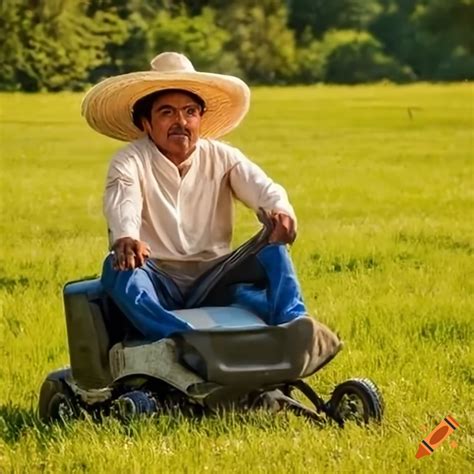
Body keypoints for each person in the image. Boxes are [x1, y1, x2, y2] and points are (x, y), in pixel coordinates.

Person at [81, 52, 316, 342]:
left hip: (214, 277)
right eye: (167, 112)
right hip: (157, 278)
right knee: (117, 268)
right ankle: (179, 337)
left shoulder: (223, 156)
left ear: (200, 119)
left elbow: (261, 186)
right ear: (145, 123)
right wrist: (126, 236)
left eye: (190, 112)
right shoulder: (130, 160)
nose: (181, 121)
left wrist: (279, 210)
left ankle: (293, 324)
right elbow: (123, 198)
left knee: (274, 248)